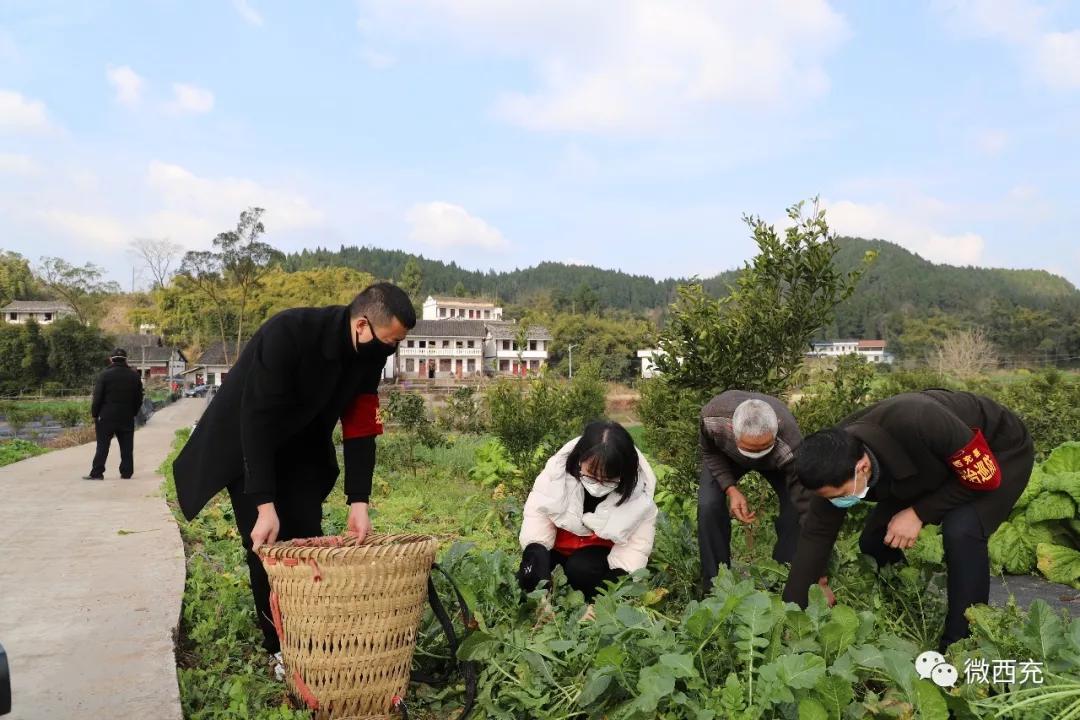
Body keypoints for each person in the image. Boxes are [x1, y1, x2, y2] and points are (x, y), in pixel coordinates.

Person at [172, 283, 415, 671]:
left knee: (305, 538)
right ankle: (278, 646)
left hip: (303, 446)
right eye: (390, 341)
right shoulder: (289, 333)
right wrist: (264, 504)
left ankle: (306, 633)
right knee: (266, 544)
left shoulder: (371, 358)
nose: (392, 350)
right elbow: (256, 419)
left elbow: (361, 427)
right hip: (249, 443)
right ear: (362, 326)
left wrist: (359, 500)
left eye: (398, 343)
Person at [782, 389, 1033, 650]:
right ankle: (909, 601)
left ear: (862, 468)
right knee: (875, 539)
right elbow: (816, 534)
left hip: (995, 453)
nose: (838, 502)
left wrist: (919, 513)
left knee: (962, 530)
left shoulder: (920, 419)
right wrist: (795, 609)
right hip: (930, 464)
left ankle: (963, 643)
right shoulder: (830, 463)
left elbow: (986, 477)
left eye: (842, 494)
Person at [517, 421, 658, 601]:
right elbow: (537, 520)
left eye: (608, 479)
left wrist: (607, 599)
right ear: (579, 459)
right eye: (591, 475)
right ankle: (549, 596)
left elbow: (634, 551)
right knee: (528, 577)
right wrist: (538, 582)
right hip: (558, 549)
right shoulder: (555, 477)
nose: (598, 484)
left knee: (580, 569)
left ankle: (583, 597)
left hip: (596, 558)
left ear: (624, 473)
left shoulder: (640, 500)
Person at [698, 392, 810, 590]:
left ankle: (783, 576)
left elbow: (805, 503)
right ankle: (715, 585)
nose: (756, 455)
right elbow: (710, 451)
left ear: (777, 427)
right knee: (708, 505)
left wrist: (820, 575)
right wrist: (730, 488)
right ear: (732, 429)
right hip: (728, 458)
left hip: (776, 463)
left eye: (763, 447)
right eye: (750, 448)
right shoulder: (712, 420)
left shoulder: (791, 444)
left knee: (796, 509)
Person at [82, 348, 143, 481]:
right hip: (126, 416)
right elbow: (139, 398)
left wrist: (95, 414)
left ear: (111, 359)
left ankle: (97, 472)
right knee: (127, 446)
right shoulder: (134, 376)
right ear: (126, 360)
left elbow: (97, 397)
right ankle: (126, 473)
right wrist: (133, 412)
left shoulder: (105, 375)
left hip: (106, 416)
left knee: (102, 446)